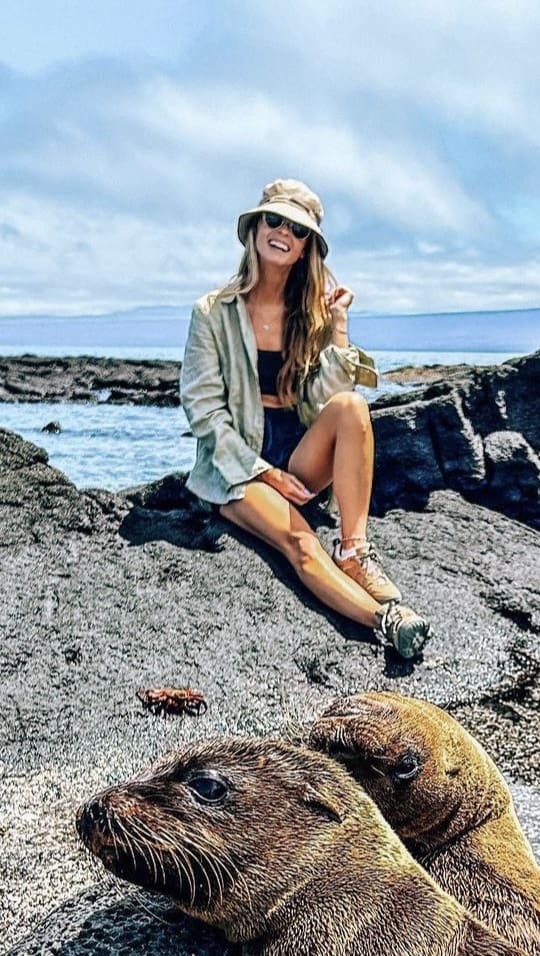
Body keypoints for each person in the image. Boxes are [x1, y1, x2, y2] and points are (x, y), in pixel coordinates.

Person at [180, 178, 431, 660]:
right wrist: (263, 472)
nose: (282, 232)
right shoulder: (212, 312)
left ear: (304, 248)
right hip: (239, 467)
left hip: (297, 455)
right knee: (300, 541)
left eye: (296, 229)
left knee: (353, 407)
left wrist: (337, 327)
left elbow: (323, 402)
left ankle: (355, 551)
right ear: (255, 229)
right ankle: (386, 620)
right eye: (273, 220)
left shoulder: (308, 313)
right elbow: (204, 411)